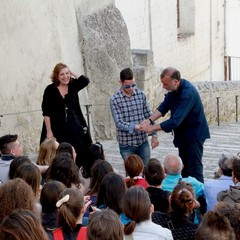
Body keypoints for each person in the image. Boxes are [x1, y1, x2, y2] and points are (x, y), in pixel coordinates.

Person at [139, 67, 210, 182]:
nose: (163, 87)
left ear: (175, 81)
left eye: (165, 84)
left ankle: (199, 197)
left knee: (194, 168)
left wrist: (151, 128)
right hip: (182, 135)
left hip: (194, 135)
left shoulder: (188, 93)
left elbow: (175, 121)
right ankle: (185, 194)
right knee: (184, 168)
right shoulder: (173, 90)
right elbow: (164, 106)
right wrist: (149, 120)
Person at [40, 63, 92, 168]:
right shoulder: (50, 89)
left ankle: (77, 176)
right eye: (62, 74)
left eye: (67, 73)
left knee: (79, 154)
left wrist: (70, 70)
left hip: (75, 128)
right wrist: (49, 131)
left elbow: (85, 80)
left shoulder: (73, 85)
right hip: (57, 129)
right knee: (59, 156)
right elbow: (46, 113)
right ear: (57, 76)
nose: (65, 77)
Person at [110, 67, 159, 165]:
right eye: (127, 86)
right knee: (131, 176)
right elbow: (119, 123)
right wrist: (137, 127)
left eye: (133, 85)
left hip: (142, 142)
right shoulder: (114, 100)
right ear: (120, 82)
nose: (131, 88)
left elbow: (149, 116)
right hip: (126, 144)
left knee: (146, 172)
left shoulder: (141, 94)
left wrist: (154, 135)